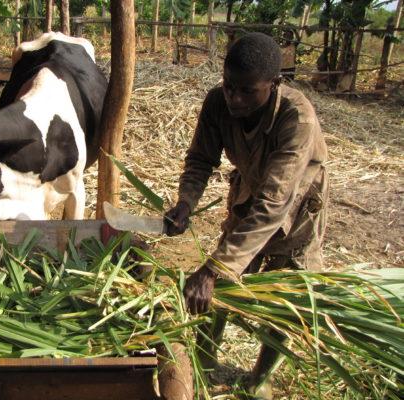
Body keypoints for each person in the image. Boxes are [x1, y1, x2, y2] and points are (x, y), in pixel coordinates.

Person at [164, 32, 328, 398]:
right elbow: (200, 159)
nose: (234, 98)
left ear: (275, 84)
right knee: (220, 284)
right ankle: (204, 361)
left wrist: (212, 268)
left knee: (287, 293)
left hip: (299, 206)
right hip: (250, 190)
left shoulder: (297, 119)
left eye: (247, 91)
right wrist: (186, 203)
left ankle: (261, 377)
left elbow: (275, 202)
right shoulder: (217, 103)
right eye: (228, 86)